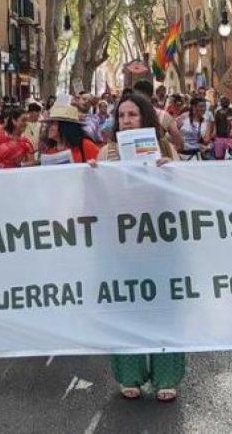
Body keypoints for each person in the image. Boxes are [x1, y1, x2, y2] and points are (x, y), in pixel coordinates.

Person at [87, 92, 183, 402]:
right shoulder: (106, 153)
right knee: (126, 307)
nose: (126, 120)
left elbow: (184, 194)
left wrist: (171, 171)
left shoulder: (165, 149)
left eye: (133, 114)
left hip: (160, 241)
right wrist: (92, 175)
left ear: (145, 118)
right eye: (121, 116)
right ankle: (130, 375)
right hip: (121, 243)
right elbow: (96, 199)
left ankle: (166, 376)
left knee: (164, 309)